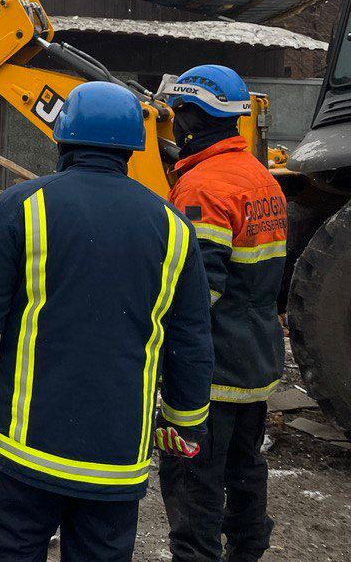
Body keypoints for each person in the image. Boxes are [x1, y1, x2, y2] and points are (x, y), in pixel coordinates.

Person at [0, 81, 213, 562]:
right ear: (132, 148)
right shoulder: (173, 227)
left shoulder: (22, 206)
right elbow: (190, 340)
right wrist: (185, 421)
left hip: (24, 452)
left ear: (62, 139)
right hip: (115, 463)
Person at [158, 65, 286, 562]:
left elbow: (197, 293)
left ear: (193, 117)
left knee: (194, 483)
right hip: (255, 362)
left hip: (210, 372)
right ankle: (248, 551)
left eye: (178, 113)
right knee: (245, 470)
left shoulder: (202, 188)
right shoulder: (260, 177)